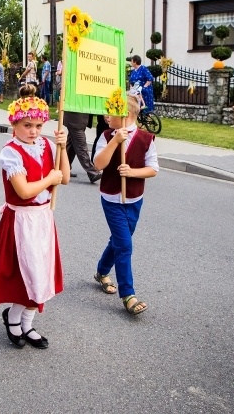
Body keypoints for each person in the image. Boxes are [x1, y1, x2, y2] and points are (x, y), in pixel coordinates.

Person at [0, 84, 70, 349]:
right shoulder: (10, 152)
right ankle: (12, 318)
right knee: (27, 273)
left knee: (42, 272)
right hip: (21, 221)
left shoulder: (45, 144)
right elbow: (22, 191)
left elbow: (64, 178)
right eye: (27, 125)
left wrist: (62, 148)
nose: (33, 131)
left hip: (43, 218)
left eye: (37, 126)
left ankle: (28, 323)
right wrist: (49, 179)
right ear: (15, 124)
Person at [92, 91, 159, 315]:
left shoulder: (146, 139)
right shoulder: (106, 135)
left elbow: (153, 169)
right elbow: (98, 164)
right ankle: (128, 294)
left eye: (110, 112)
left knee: (119, 241)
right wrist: (115, 141)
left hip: (134, 199)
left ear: (126, 114)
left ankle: (101, 272)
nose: (105, 116)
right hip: (111, 198)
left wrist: (132, 172)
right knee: (124, 245)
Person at [64, 111, 102, 183]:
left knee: (72, 144)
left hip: (78, 117)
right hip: (75, 117)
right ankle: (92, 172)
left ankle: (64, 168)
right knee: (81, 145)